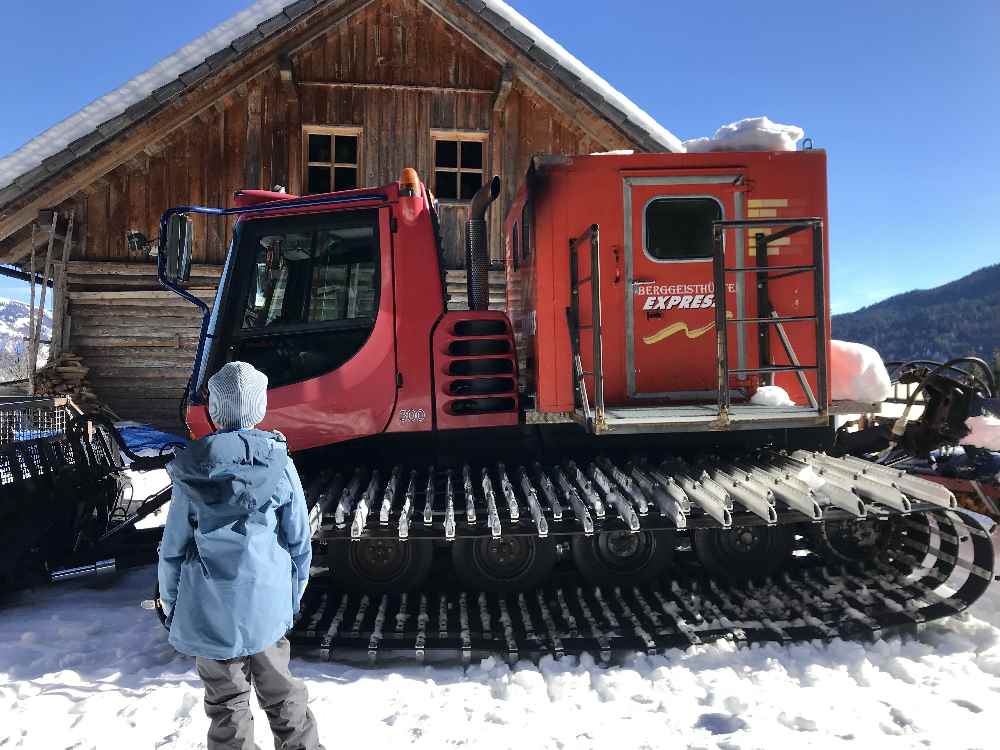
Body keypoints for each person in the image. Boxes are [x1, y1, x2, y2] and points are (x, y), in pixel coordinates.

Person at [157, 361, 325, 750]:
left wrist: (171, 602)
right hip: (267, 601)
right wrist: (292, 594)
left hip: (210, 610)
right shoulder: (280, 463)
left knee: (226, 703)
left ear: (215, 411)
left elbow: (173, 547)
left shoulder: (193, 469)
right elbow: (299, 539)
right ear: (260, 408)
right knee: (283, 695)